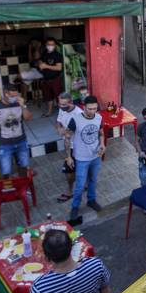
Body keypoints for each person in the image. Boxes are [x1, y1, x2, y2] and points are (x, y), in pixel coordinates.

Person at [64, 95, 105, 226]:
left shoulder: (99, 118)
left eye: (94, 108)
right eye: (89, 109)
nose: (92, 111)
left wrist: (102, 144)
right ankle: (75, 206)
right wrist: (69, 156)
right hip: (81, 158)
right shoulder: (76, 120)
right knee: (80, 185)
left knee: (93, 180)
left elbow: (101, 132)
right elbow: (67, 137)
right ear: (83, 107)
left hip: (95, 156)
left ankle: (91, 200)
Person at [0, 83, 33, 179]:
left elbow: (28, 118)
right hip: (4, 144)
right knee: (5, 170)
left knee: (23, 167)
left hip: (21, 141)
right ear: (5, 94)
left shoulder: (19, 104)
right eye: (13, 96)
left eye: (16, 95)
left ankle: (23, 188)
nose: (15, 98)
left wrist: (23, 106)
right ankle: (7, 189)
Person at [56, 92, 82, 203]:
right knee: (73, 168)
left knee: (69, 170)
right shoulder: (62, 109)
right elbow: (58, 122)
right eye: (60, 104)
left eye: (63, 104)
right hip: (68, 145)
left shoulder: (79, 114)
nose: (61, 107)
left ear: (71, 102)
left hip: (77, 147)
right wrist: (59, 129)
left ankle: (70, 191)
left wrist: (67, 132)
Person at [39, 37, 63, 117]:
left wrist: (46, 66)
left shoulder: (57, 55)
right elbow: (40, 60)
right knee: (48, 97)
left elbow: (59, 68)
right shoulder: (44, 53)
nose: (50, 46)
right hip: (46, 79)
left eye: (52, 44)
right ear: (46, 45)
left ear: (55, 45)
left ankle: (62, 114)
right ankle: (49, 112)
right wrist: (40, 63)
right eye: (48, 44)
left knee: (58, 97)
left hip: (55, 79)